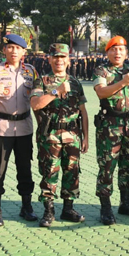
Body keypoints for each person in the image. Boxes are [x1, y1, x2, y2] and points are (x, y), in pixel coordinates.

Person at [0, 34, 38, 227]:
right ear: (4, 50)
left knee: (25, 169)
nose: (13, 51)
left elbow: (37, 99)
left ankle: (26, 206)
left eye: (17, 48)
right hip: (1, 128)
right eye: (10, 48)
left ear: (23, 52)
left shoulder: (31, 71)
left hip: (24, 127)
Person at [30, 43, 89, 227]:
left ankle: (68, 208)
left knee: (72, 172)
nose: (59, 60)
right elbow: (36, 104)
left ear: (68, 60)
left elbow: (83, 111)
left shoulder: (75, 82)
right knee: (49, 171)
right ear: (49, 59)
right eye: (55, 57)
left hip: (73, 133)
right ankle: (48, 211)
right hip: (51, 135)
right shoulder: (42, 81)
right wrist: (57, 92)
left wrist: (86, 137)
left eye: (63, 57)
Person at [92, 36, 129, 225]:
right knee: (107, 167)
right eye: (113, 49)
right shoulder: (102, 70)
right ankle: (105, 207)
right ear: (108, 52)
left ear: (126, 53)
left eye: (121, 49)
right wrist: (122, 83)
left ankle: (125, 202)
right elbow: (101, 92)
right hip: (110, 126)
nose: (117, 52)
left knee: (128, 166)